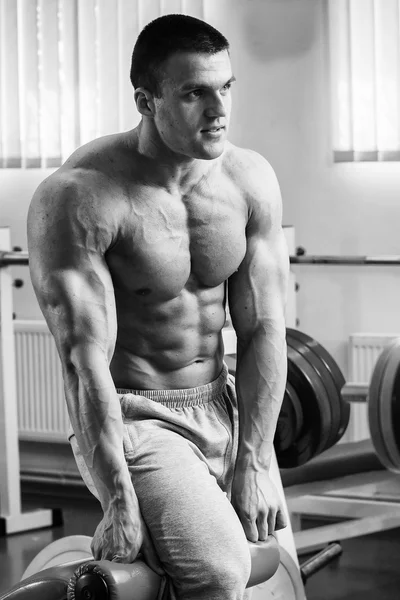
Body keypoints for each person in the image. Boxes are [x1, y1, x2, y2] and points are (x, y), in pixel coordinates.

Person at [27, 13, 289, 600]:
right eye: (195, 92)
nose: (218, 110)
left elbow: (267, 326)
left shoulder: (249, 180)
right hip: (134, 416)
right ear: (146, 100)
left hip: (223, 405)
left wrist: (254, 458)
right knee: (222, 572)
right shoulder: (80, 196)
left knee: (276, 570)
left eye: (225, 88)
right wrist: (118, 497)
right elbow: (81, 360)